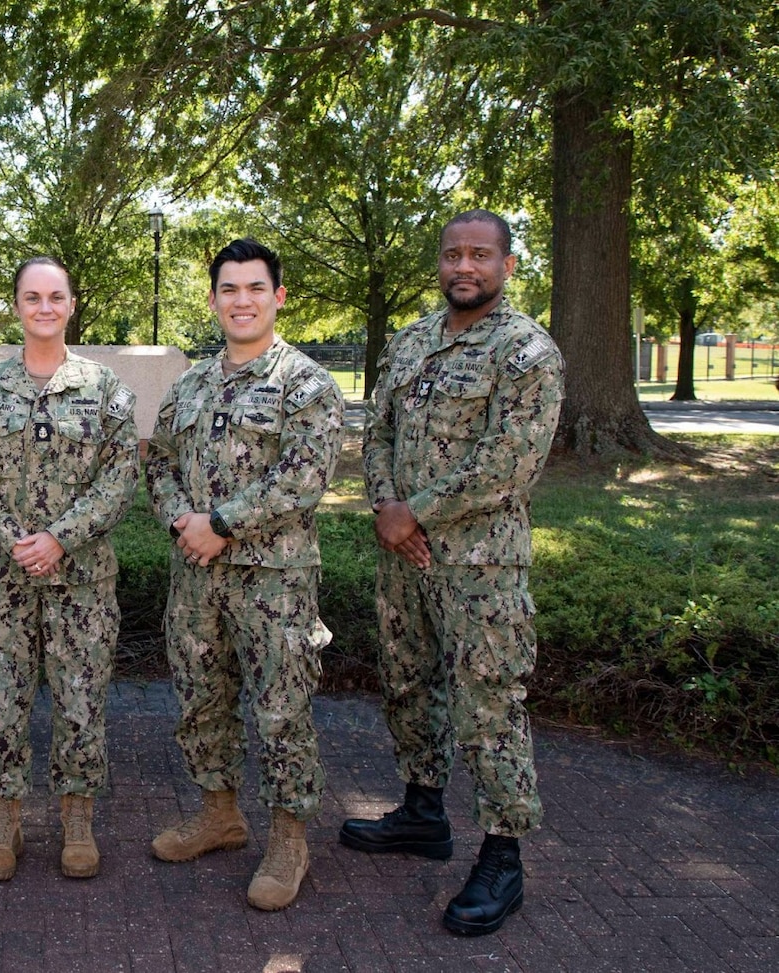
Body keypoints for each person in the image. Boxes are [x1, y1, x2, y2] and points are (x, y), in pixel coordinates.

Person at [340, 209, 565, 936]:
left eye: (480, 255)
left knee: (489, 704)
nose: (463, 267)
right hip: (404, 557)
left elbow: (509, 462)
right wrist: (384, 505)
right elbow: (377, 429)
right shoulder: (410, 343)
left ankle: (503, 857)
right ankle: (423, 810)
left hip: (481, 565)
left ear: (506, 265)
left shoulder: (528, 351)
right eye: (451, 255)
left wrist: (418, 513)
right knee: (409, 681)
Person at [144, 237, 344, 912]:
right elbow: (159, 460)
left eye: (255, 287)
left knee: (281, 708)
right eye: (229, 289)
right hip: (197, 576)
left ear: (278, 297)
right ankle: (219, 814)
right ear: (213, 300)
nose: (242, 300)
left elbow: (305, 477)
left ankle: (289, 837)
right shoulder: (193, 383)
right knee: (201, 698)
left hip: (275, 580)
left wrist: (219, 522)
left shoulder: (306, 384)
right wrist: (181, 520)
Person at [0, 256, 139, 882]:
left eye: (56, 296)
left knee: (81, 701)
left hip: (81, 579)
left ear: (72, 304)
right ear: (17, 307)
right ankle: (4, 821)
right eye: (32, 297)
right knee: (2, 702)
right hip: (1, 579)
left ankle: (76, 818)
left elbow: (120, 477)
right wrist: (14, 539)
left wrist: (59, 538)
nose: (45, 308)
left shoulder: (106, 390)